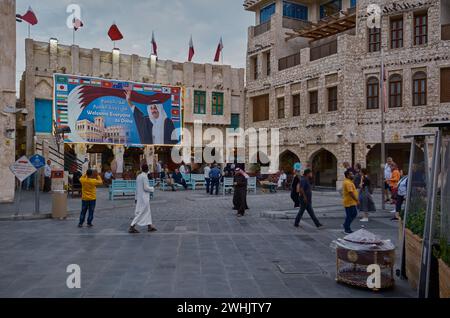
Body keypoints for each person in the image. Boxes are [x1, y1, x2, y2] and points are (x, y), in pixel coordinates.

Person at [129, 164, 157, 234]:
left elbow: (137, 188)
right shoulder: (144, 177)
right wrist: (153, 188)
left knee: (147, 211)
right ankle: (132, 226)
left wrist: (136, 197)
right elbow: (146, 188)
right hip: (144, 198)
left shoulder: (138, 176)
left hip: (139, 197)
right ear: (147, 169)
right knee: (141, 212)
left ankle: (149, 226)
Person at [342, 170, 359, 234]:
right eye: (351, 174)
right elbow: (350, 192)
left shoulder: (349, 181)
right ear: (348, 175)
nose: (353, 175)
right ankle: (347, 229)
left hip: (351, 202)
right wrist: (356, 200)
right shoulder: (348, 183)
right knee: (350, 215)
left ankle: (346, 225)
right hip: (349, 202)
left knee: (353, 214)